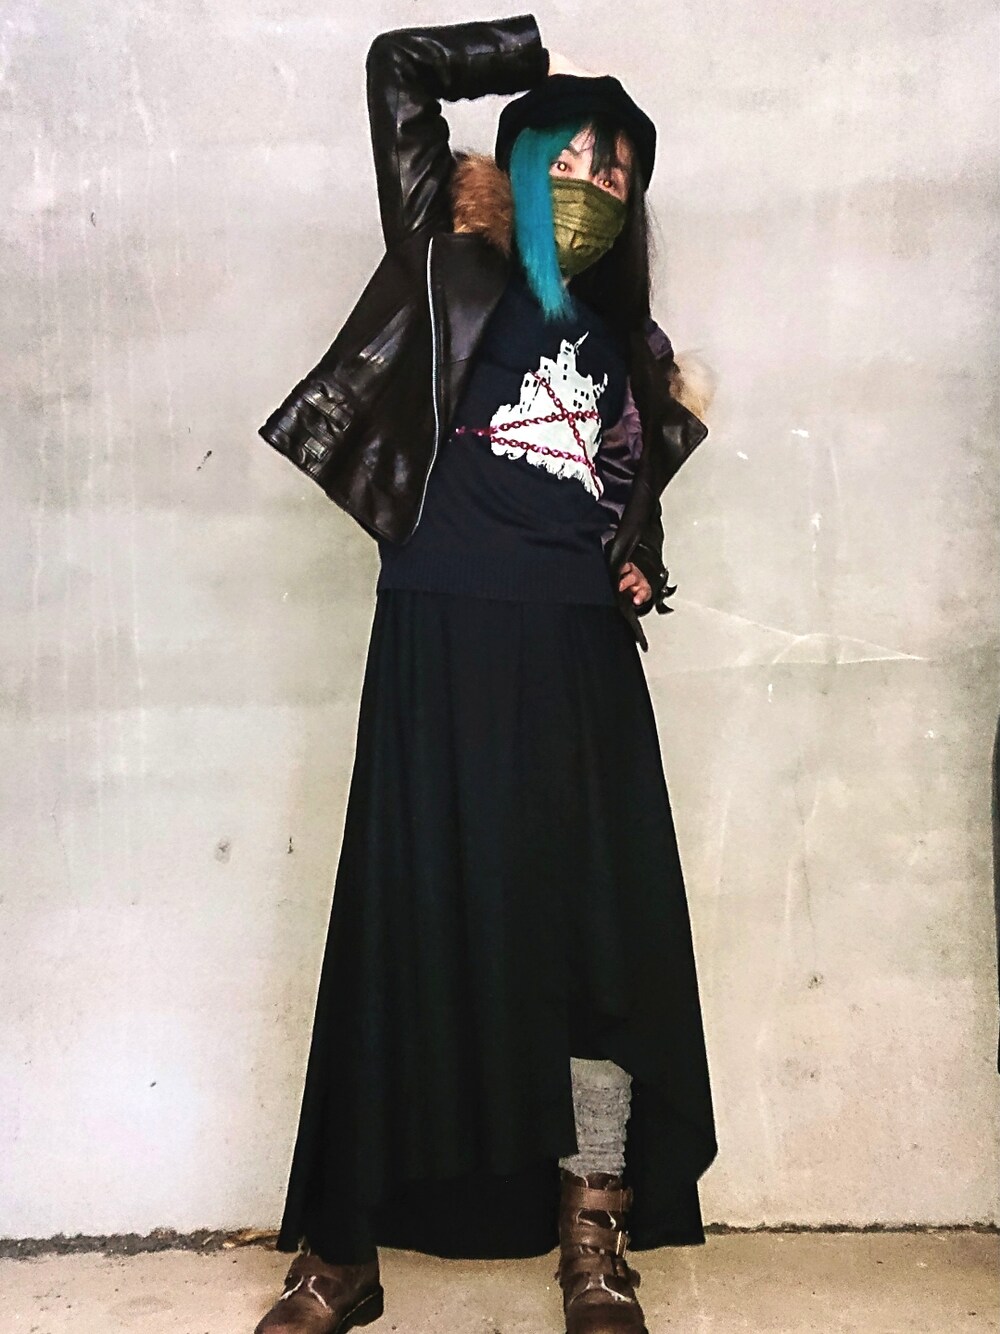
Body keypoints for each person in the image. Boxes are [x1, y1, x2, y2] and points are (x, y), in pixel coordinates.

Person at [253, 14, 717, 1334]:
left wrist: (637, 562)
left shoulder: (627, 342)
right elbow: (397, 67)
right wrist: (534, 58)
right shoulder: (443, 258)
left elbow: (618, 494)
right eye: (571, 156)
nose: (594, 183)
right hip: (438, 633)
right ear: (512, 167)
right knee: (398, 933)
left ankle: (592, 1239)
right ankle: (344, 1253)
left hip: (578, 662)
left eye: (617, 169)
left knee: (594, 948)